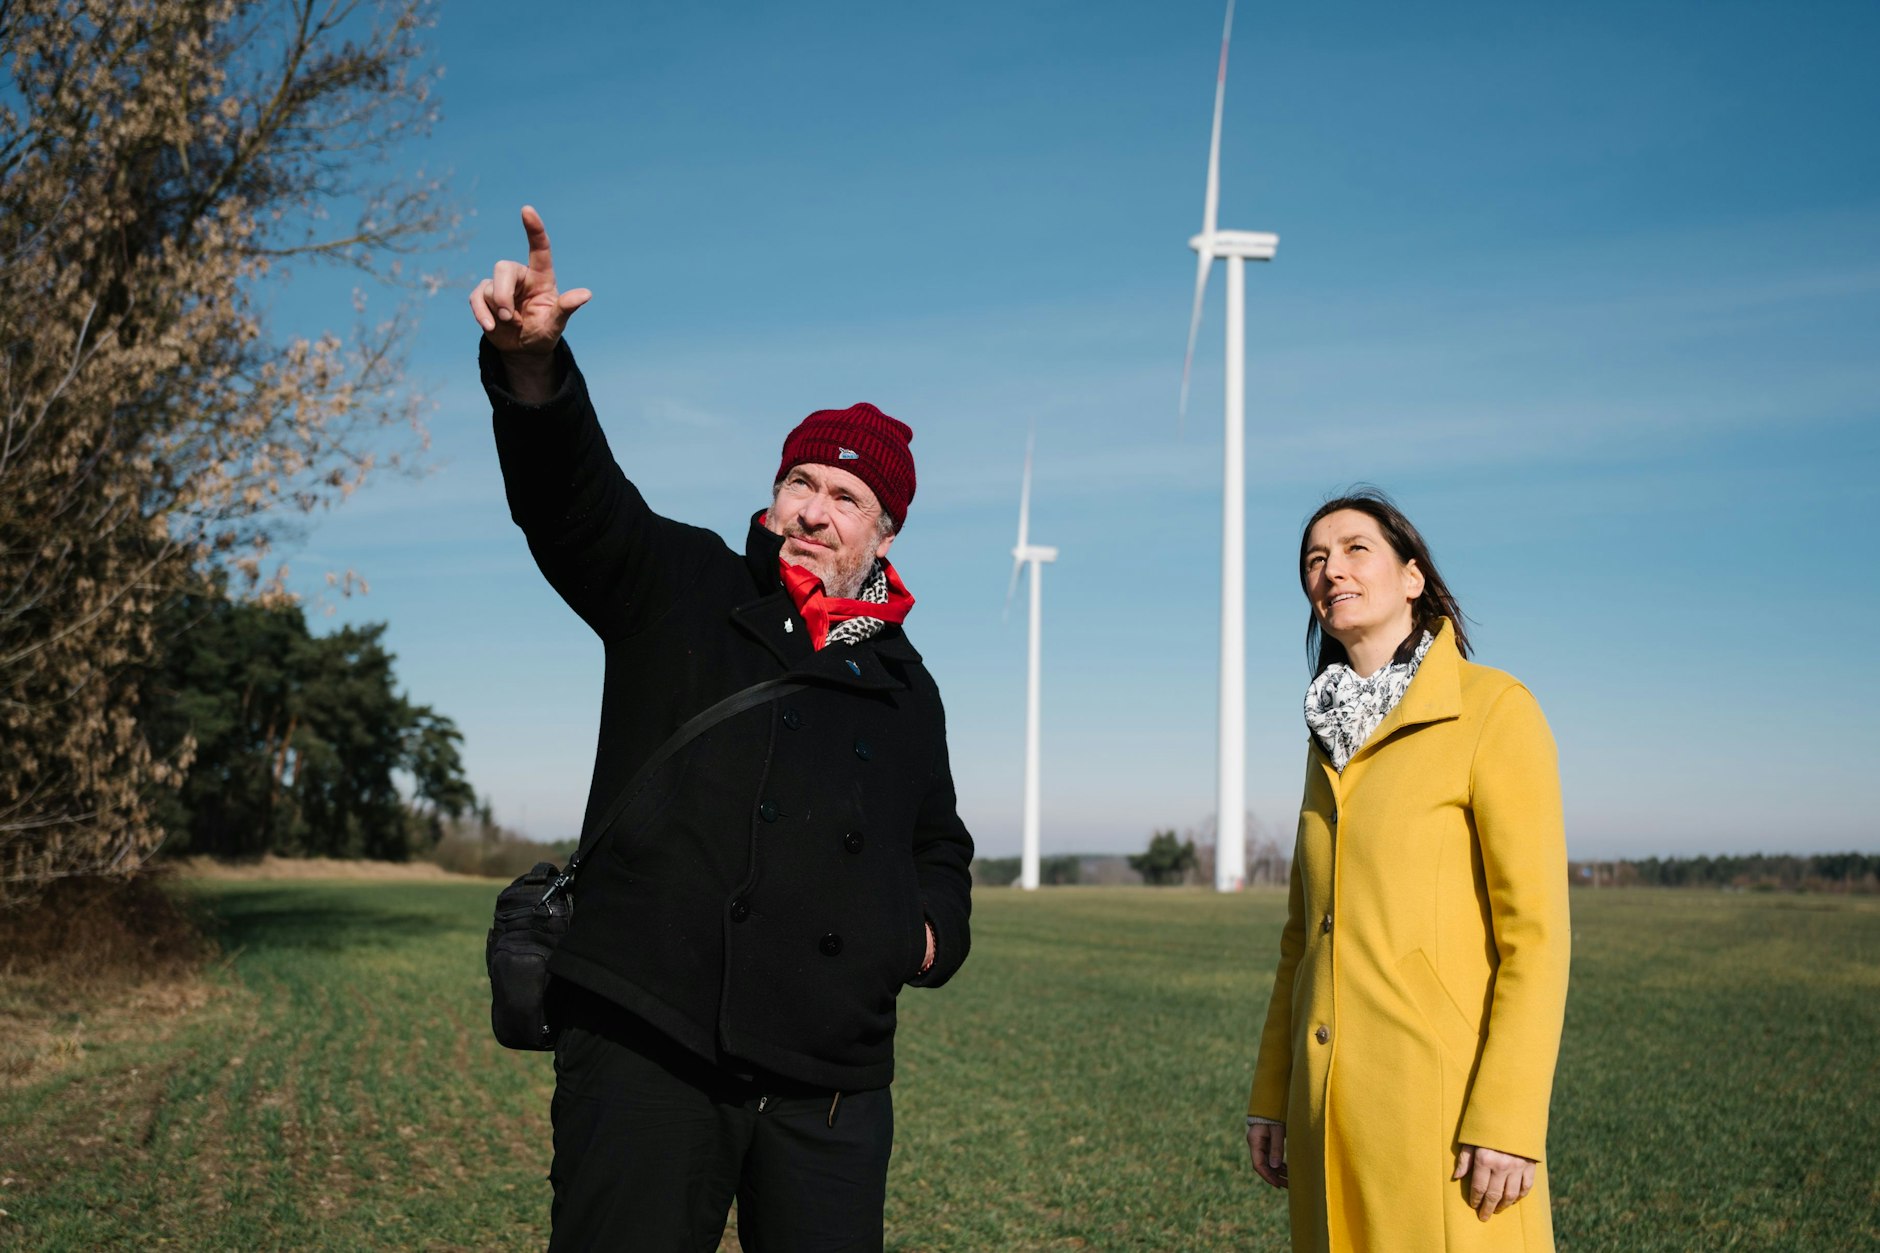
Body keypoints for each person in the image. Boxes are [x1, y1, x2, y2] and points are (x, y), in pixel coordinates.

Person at [470, 206, 974, 1252]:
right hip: (648, 1042)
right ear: (773, 495)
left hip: (829, 1079)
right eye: (800, 483)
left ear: (884, 533)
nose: (813, 510)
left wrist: (923, 933)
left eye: (845, 496)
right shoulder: (686, 582)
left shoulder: (903, 681)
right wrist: (533, 369)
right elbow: (574, 503)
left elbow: (938, 844)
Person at [1244, 489, 1570, 1252]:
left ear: (1413, 577)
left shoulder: (1494, 709)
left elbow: (1536, 936)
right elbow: (1302, 938)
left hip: (1447, 1118)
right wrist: (1273, 1093)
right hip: (1328, 1113)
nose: (1331, 569)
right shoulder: (1325, 737)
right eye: (1314, 559)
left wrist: (1509, 1117)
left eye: (1356, 549)